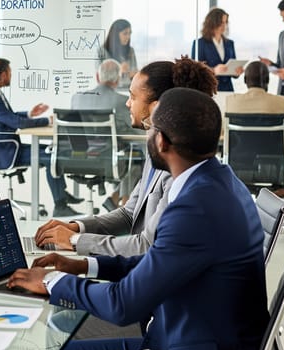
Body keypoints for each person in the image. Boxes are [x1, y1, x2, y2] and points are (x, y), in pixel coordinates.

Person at [9, 88, 269, 350]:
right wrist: (84, 266)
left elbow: (122, 305)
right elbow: (157, 264)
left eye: (151, 128)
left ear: (161, 141)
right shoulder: (220, 182)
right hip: (185, 344)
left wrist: (50, 282)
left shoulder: (194, 208)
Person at [33, 57, 217, 257]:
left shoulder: (178, 164)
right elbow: (130, 214)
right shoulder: (155, 148)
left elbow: (147, 245)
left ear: (157, 106)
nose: (128, 103)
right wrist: (76, 227)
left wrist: (74, 241)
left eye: (133, 97)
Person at [0, 57, 78, 218]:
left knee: (53, 151)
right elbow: (17, 123)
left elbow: (9, 116)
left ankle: (61, 195)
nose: (11, 75)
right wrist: (47, 120)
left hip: (6, 148)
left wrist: (30, 114)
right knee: (52, 156)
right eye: (10, 72)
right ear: (3, 74)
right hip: (5, 153)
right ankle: (60, 205)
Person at [224, 60, 284, 198]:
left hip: (238, 170)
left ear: (246, 80)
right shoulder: (280, 102)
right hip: (274, 173)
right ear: (268, 80)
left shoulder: (232, 101)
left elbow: (222, 133)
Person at [71, 58, 143, 205]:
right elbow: (134, 128)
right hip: (109, 160)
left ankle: (116, 198)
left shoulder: (76, 98)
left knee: (131, 158)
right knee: (138, 160)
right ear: (117, 79)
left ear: (98, 77)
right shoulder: (121, 101)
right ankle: (122, 202)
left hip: (78, 159)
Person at [193, 7, 243, 92]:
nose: (224, 26)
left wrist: (237, 72)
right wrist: (214, 70)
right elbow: (195, 69)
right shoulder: (200, 43)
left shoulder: (230, 43)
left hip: (228, 90)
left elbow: (233, 71)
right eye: (221, 22)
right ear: (212, 22)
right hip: (209, 90)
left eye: (225, 22)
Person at [99, 19, 136, 88]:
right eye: (125, 33)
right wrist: (120, 71)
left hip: (127, 90)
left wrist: (134, 74)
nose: (128, 37)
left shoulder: (131, 51)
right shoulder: (102, 51)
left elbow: (134, 74)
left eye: (129, 33)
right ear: (115, 34)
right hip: (110, 90)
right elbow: (99, 77)